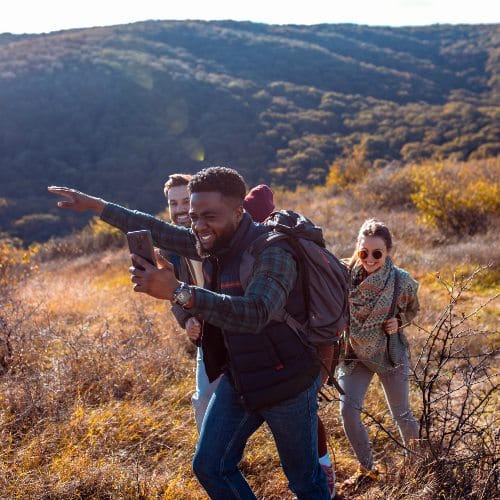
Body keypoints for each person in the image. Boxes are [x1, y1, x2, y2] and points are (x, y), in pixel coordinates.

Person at [48, 167, 330, 499]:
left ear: (239, 212)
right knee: (210, 466)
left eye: (209, 216)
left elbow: (256, 313)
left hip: (288, 382)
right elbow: (158, 229)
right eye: (194, 217)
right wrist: (96, 206)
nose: (198, 225)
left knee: (304, 480)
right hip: (241, 376)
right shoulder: (210, 242)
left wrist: (180, 292)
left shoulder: (272, 251)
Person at [337, 219, 420, 489]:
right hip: (354, 354)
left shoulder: (401, 281)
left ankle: (417, 466)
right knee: (348, 412)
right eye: (364, 252)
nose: (369, 259)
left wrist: (399, 321)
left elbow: (411, 310)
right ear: (357, 249)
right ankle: (367, 469)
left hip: (389, 353)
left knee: (402, 414)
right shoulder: (342, 276)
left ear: (388, 252)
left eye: (377, 253)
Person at [162, 173, 220, 433]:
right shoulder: (168, 247)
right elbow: (172, 291)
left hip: (241, 325)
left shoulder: (219, 231)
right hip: (207, 335)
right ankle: (215, 465)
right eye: (173, 204)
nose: (180, 210)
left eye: (186, 201)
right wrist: (187, 319)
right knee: (204, 401)